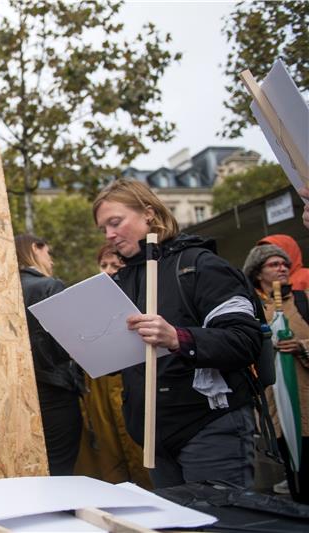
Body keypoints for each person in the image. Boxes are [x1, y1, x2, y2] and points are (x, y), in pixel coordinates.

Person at [93, 178, 262, 489]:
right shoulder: (123, 281)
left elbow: (244, 340)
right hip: (152, 438)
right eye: (103, 228)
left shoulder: (201, 265)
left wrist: (176, 337)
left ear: (148, 213)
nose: (109, 235)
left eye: (115, 222)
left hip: (210, 429)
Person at [74, 245, 151, 487]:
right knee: (108, 448)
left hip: (130, 379)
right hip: (98, 383)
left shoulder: (140, 294)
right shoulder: (89, 300)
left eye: (115, 266)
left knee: (135, 445)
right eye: (104, 265)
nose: (108, 271)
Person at [243, 243, 309, 503]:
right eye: (273, 264)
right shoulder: (250, 308)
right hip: (275, 404)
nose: (282, 268)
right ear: (258, 273)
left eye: (284, 264)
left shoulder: (303, 301)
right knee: (294, 472)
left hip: (305, 400)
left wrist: (302, 346)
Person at [15, 234, 84, 475]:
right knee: (60, 467)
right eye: (49, 252)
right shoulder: (49, 286)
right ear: (35, 248)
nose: (51, 260)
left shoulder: (6, 291)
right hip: (56, 391)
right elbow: (69, 343)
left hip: (20, 395)